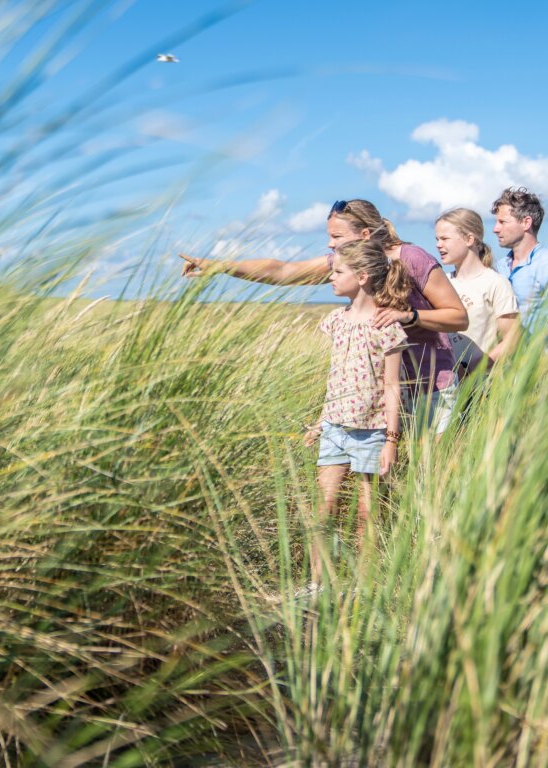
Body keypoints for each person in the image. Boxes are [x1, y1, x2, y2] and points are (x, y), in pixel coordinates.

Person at [180, 198, 468, 434]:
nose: (330, 245)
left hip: (430, 386)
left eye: (337, 237)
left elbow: (458, 317)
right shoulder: (345, 263)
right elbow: (284, 271)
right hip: (379, 395)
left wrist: (408, 316)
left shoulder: (413, 258)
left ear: (365, 234)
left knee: (429, 476)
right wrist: (220, 266)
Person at [301, 240, 409, 573]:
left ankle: (365, 588)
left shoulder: (386, 327)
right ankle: (319, 581)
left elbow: (393, 387)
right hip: (335, 427)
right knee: (325, 506)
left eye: (338, 271)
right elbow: (335, 379)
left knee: (367, 513)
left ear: (362, 276)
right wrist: (321, 422)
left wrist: (391, 439)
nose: (331, 277)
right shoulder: (335, 321)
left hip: (372, 432)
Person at [435, 208, 520, 373]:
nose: (438, 245)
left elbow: (512, 339)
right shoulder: (442, 282)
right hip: (448, 388)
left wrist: (472, 370)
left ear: (469, 239)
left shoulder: (495, 283)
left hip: (483, 386)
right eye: (437, 239)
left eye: (445, 238)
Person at [491, 187, 548, 330]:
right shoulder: (499, 267)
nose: (495, 229)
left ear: (526, 223)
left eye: (502, 222)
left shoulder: (544, 264)